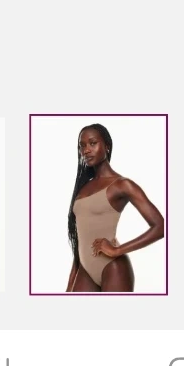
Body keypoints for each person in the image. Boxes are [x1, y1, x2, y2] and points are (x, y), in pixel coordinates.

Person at [66, 123, 164, 293]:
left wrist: (117, 250)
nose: (86, 150)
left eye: (92, 143)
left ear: (107, 146)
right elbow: (80, 239)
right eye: (82, 146)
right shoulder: (83, 187)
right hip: (85, 268)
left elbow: (161, 226)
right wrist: (70, 282)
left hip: (113, 268)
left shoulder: (122, 185)